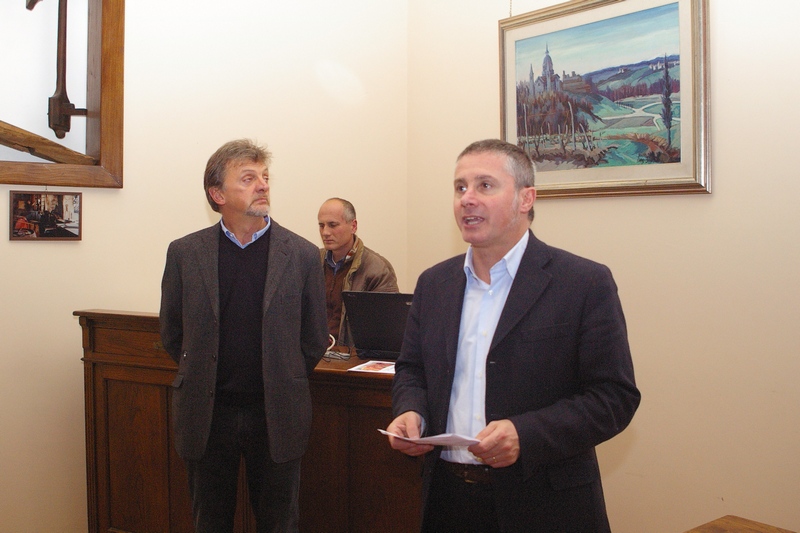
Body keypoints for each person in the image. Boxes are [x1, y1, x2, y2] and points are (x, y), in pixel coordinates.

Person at [386, 139, 640, 532]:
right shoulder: (434, 283)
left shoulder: (583, 283)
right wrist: (410, 410)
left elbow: (614, 397)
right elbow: (412, 368)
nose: (467, 198)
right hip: (448, 502)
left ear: (526, 199)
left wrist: (527, 434)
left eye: (485, 185)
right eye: (460, 187)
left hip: (545, 505)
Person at [159, 139, 328, 532]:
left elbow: (314, 338)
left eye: (265, 177)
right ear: (217, 194)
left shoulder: (302, 254)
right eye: (248, 178)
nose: (263, 185)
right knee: (210, 521)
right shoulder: (185, 253)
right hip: (207, 414)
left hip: (276, 414)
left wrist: (280, 374)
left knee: (279, 522)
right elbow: (172, 332)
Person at [317, 197, 398, 347]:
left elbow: (386, 330)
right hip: (314, 359)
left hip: (353, 361)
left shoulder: (377, 269)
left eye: (332, 225)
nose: (325, 232)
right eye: (321, 226)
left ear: (353, 226)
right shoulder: (312, 261)